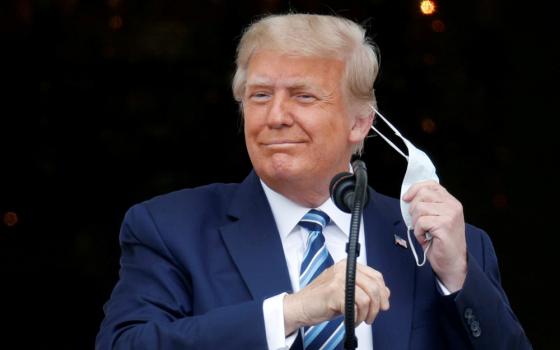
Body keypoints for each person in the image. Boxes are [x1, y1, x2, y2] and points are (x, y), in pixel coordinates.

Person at [95, 13, 531, 350]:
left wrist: (457, 275)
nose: (276, 116)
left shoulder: (439, 242)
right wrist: (290, 311)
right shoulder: (170, 227)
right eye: (260, 95)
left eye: (303, 96)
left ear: (360, 123)